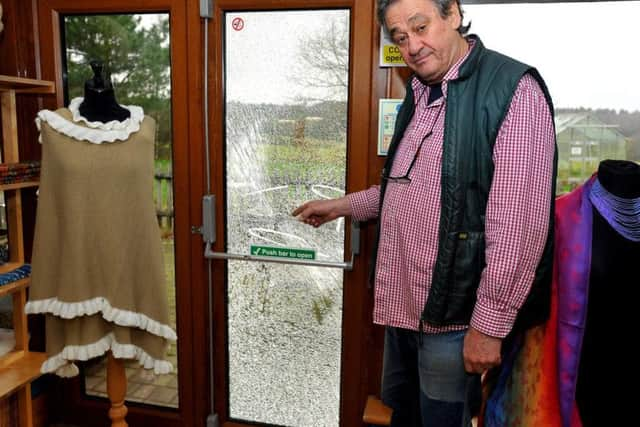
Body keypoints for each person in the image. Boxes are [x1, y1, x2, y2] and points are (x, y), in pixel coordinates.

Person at [292, 0, 557, 426]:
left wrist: (488, 325)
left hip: (457, 320)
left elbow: (518, 228)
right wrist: (340, 206)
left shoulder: (511, 89)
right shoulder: (419, 93)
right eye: (400, 37)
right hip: (405, 307)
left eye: (421, 26)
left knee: (443, 419)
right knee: (406, 416)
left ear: (452, 13)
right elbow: (406, 191)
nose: (412, 45)